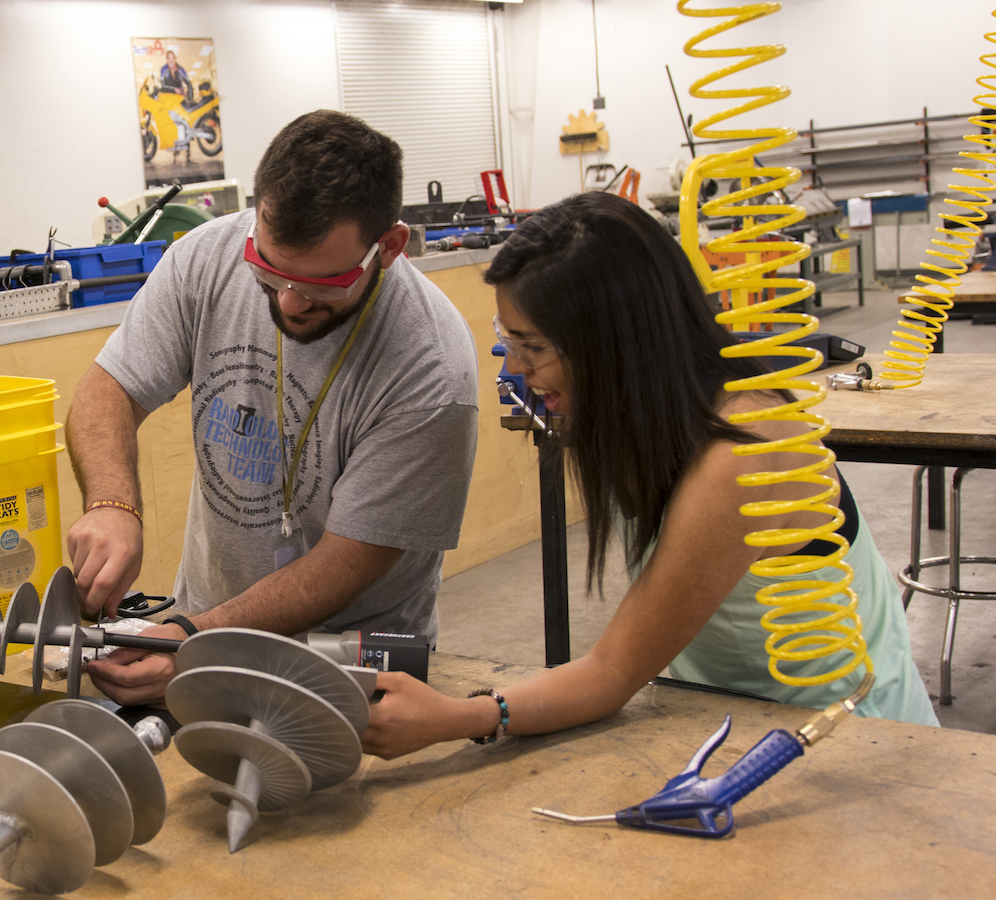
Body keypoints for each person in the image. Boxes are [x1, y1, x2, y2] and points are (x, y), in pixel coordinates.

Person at [362, 191, 938, 759]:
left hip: (844, 747)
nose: (515, 366)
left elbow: (613, 671)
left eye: (533, 345)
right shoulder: (654, 415)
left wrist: (460, 716)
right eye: (508, 338)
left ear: (617, 344)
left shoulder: (739, 453)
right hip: (723, 724)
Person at [67, 109, 479, 705]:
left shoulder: (430, 367)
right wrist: (111, 503)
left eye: (320, 285)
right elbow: (109, 389)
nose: (288, 302)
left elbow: (348, 561)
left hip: (350, 665)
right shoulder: (206, 259)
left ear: (387, 247)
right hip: (203, 627)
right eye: (268, 269)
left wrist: (192, 640)